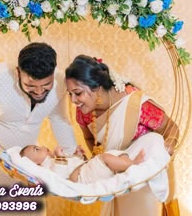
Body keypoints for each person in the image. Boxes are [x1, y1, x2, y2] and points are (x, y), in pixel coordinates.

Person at [0, 42, 78, 216]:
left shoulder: (60, 82)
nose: (38, 92)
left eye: (45, 86)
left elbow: (60, 120)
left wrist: (73, 156)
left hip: (26, 167)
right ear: (18, 72)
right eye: (31, 85)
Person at [65, 54, 179, 216]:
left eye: (77, 93)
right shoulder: (84, 112)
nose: (73, 100)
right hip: (114, 181)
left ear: (96, 87)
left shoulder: (136, 105)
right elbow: (90, 138)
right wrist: (102, 164)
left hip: (143, 180)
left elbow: (171, 128)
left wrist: (169, 145)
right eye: (70, 94)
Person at [19, 144, 145, 184]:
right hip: (83, 177)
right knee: (105, 157)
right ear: (35, 164)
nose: (41, 147)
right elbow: (60, 173)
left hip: (85, 169)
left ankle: (125, 165)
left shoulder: (52, 161)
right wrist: (60, 157)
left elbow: (72, 165)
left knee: (113, 154)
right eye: (36, 149)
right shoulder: (46, 168)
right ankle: (133, 164)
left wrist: (78, 155)